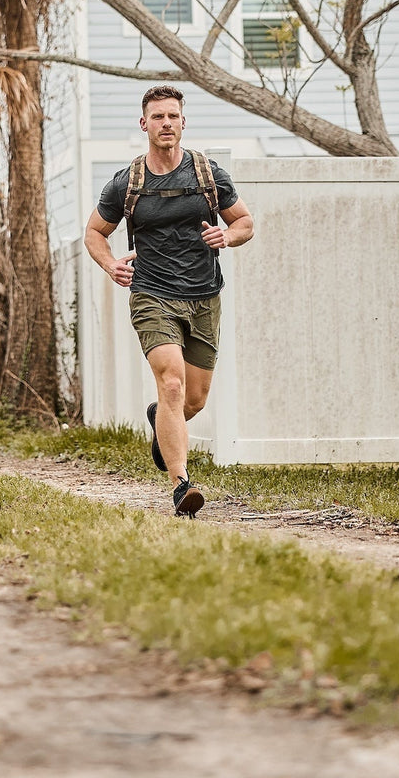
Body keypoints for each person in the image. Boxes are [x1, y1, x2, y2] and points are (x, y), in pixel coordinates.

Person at [83, 86, 253, 517]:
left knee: (191, 400)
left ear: (183, 122)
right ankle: (182, 484)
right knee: (172, 382)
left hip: (203, 296)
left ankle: (161, 419)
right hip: (152, 294)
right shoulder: (127, 182)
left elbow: (246, 222)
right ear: (144, 124)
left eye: (173, 116)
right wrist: (111, 266)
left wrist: (227, 236)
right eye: (157, 117)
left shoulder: (208, 174)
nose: (166, 124)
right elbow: (94, 233)